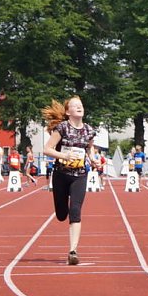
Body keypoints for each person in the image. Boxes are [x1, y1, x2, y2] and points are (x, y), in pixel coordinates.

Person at [41, 96, 98, 265]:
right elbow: (47, 149)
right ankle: (62, 211)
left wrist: (93, 159)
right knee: (61, 215)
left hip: (80, 175)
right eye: (75, 106)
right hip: (61, 174)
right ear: (68, 112)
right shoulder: (62, 128)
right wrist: (64, 155)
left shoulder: (89, 130)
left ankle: (73, 251)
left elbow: (89, 147)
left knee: (75, 211)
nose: (80, 107)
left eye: (81, 105)